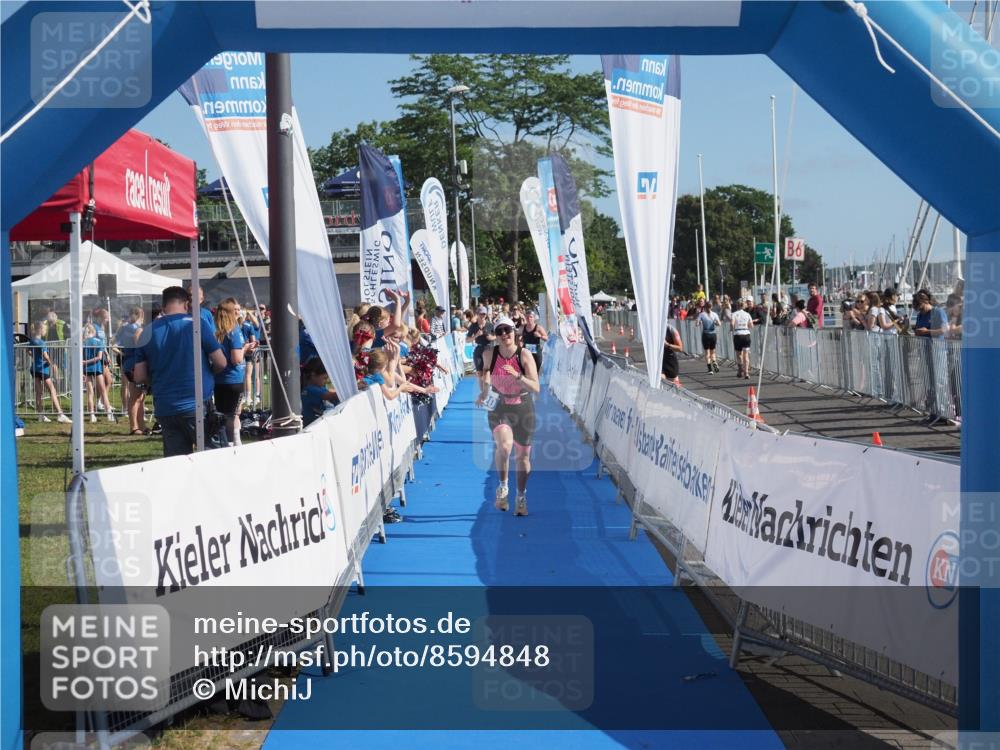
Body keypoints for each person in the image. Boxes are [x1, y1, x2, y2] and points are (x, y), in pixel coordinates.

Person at [133, 286, 227, 457]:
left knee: (176, 464)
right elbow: (221, 362)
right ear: (186, 304)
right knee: (214, 461)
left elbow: (139, 376)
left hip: (165, 407)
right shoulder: (197, 324)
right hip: (197, 405)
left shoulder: (147, 331)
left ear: (163, 306)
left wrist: (155, 381)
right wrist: (208, 373)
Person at [476, 315, 540, 517]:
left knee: (522, 457)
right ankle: (503, 487)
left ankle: (521, 497)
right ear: (495, 335)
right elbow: (485, 374)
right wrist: (484, 392)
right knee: (504, 446)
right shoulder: (489, 354)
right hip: (498, 404)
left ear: (515, 332)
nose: (504, 334)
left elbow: (536, 387)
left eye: (508, 330)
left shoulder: (525, 355)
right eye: (500, 331)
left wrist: (517, 375)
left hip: (522, 406)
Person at [214, 298, 255, 446]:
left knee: (223, 414)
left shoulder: (215, 330)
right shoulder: (234, 331)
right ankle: (234, 443)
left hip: (218, 378)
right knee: (233, 414)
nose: (239, 313)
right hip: (233, 378)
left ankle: (226, 442)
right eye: (236, 310)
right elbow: (237, 359)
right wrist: (245, 348)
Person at [913, 289, 951, 425]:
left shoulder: (937, 312)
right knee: (929, 383)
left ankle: (943, 414)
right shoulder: (920, 315)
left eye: (919, 305)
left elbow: (945, 329)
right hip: (925, 351)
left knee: (939, 381)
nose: (918, 309)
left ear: (926, 301)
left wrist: (927, 331)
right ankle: (934, 412)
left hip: (937, 351)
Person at [28, 321, 71, 423]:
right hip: (43, 369)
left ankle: (40, 415)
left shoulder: (32, 340)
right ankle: (60, 414)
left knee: (39, 392)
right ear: (40, 330)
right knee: (52, 390)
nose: (45, 331)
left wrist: (36, 358)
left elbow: (28, 351)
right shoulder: (41, 343)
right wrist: (51, 364)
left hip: (34, 368)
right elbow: (46, 356)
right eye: (45, 329)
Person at [118, 307, 147, 435]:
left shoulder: (125, 328)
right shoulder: (137, 329)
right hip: (135, 364)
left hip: (129, 363)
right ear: (141, 315)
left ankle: (141, 425)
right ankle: (134, 427)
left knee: (139, 396)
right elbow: (138, 344)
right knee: (136, 397)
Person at [83, 323, 115, 423]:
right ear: (94, 331)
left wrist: (85, 362)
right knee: (103, 391)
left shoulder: (83, 343)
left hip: (87, 369)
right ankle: (109, 413)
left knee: (90, 393)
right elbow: (99, 357)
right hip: (97, 368)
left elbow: (82, 359)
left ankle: (92, 415)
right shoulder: (99, 342)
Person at [301, 358, 339, 427]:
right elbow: (330, 395)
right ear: (313, 375)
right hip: (311, 427)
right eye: (324, 378)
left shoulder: (321, 388)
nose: (326, 381)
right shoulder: (309, 390)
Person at [467, 306, 496, 384]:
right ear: (477, 314)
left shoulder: (490, 325)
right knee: (479, 373)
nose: (483, 316)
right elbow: (467, 340)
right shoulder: (473, 326)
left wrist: (490, 337)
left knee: (487, 372)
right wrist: (476, 335)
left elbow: (496, 336)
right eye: (481, 314)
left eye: (484, 314)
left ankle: (488, 388)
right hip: (479, 349)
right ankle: (483, 390)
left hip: (488, 348)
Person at [732, 298, 754, 379]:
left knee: (739, 354)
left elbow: (732, 324)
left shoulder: (734, 314)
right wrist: (745, 325)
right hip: (746, 334)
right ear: (743, 306)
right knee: (746, 355)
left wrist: (732, 329)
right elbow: (751, 325)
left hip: (738, 334)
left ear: (737, 305)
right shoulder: (747, 314)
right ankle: (746, 373)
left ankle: (740, 369)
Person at [697, 301, 721, 373]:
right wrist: (715, 322)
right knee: (713, 351)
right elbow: (719, 324)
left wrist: (699, 322)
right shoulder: (715, 314)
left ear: (705, 307)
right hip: (713, 335)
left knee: (707, 352)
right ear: (711, 307)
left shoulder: (701, 314)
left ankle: (710, 369)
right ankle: (714, 361)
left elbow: (696, 324)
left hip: (706, 334)